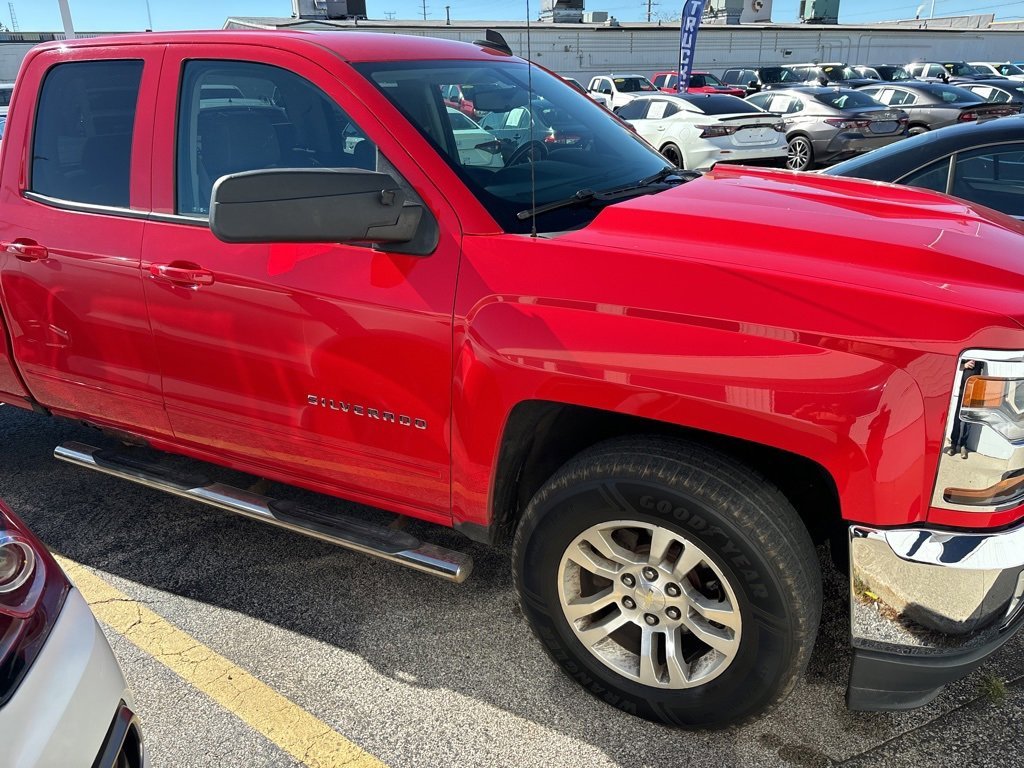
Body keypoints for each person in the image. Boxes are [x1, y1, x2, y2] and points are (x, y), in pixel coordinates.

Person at [949, 359, 984, 458]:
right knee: (957, 418)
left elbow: (982, 373)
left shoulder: (981, 356)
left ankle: (963, 445)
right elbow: (955, 365)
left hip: (974, 393)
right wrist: (965, 365)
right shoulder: (966, 354)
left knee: (968, 420)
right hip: (962, 391)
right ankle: (953, 444)